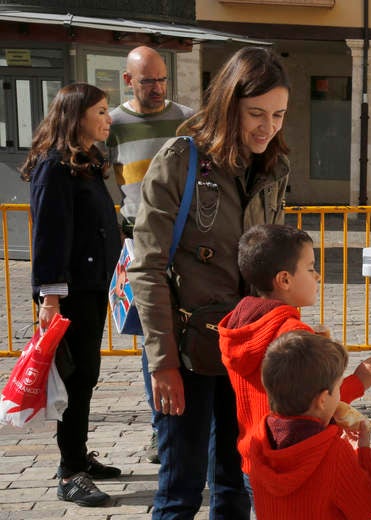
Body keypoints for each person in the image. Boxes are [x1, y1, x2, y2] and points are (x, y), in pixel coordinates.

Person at [127, 46, 292, 519]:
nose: (268, 127)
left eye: (278, 115)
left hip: (246, 352)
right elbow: (148, 268)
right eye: (256, 113)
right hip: (186, 349)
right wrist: (162, 365)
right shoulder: (181, 159)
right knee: (180, 488)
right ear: (227, 106)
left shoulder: (275, 166)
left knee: (237, 484)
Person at [218, 224, 371, 487]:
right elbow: (315, 401)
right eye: (310, 269)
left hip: (255, 457)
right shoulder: (294, 334)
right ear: (284, 280)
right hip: (295, 458)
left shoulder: (240, 321)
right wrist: (359, 381)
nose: (317, 276)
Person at [22, 83, 122, 507]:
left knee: (87, 376)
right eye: (100, 111)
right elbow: (49, 236)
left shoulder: (87, 161)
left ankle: (79, 456)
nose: (108, 118)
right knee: (76, 379)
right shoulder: (54, 166)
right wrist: (50, 299)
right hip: (70, 292)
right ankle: (70, 472)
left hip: (93, 285)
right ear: (77, 116)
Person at [107, 45, 194, 464]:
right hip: (140, 244)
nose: (157, 88)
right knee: (153, 343)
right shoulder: (114, 125)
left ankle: (188, 425)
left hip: (186, 242)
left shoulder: (187, 119)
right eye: (148, 81)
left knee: (187, 336)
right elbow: (108, 180)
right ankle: (165, 433)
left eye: (162, 80)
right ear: (128, 81)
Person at [245, 330, 371, 519]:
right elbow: (368, 509)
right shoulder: (335, 452)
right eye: (337, 389)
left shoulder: (257, 441)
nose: (339, 395)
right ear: (322, 400)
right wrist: (363, 451)